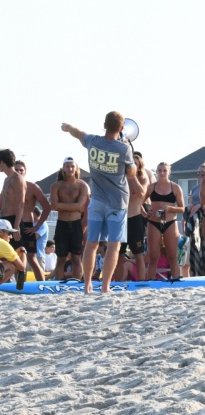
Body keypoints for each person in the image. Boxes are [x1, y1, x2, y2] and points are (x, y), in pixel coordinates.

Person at [61, 111, 139, 293]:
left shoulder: (93, 141)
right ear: (121, 128)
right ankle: (105, 286)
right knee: (113, 245)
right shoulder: (123, 149)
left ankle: (87, 285)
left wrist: (67, 127)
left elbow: (77, 132)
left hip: (96, 201)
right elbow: (131, 173)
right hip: (117, 202)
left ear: (104, 125)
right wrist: (129, 149)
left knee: (91, 244)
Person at [50, 157, 90, 280]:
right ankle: (58, 284)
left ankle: (77, 283)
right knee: (61, 258)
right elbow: (53, 206)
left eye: (72, 166)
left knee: (76, 258)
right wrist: (74, 207)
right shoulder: (56, 186)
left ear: (76, 169)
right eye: (67, 166)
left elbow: (80, 206)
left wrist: (61, 205)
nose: (70, 169)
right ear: (63, 169)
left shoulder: (82, 186)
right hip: (62, 224)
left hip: (76, 224)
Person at [11, 160, 52, 281]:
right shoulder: (8, 187)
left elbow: (47, 207)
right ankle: (17, 285)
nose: (19, 172)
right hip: (12, 226)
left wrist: (37, 226)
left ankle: (42, 284)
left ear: (25, 172)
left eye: (21, 170)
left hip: (27, 226)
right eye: (16, 170)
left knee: (31, 258)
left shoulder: (32, 187)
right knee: (14, 257)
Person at [144, 162, 185, 280]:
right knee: (153, 257)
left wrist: (171, 208)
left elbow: (182, 208)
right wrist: (146, 212)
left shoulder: (175, 187)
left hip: (170, 223)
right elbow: (140, 202)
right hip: (154, 223)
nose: (162, 173)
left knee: (172, 256)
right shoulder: (151, 187)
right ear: (156, 172)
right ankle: (150, 282)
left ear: (169, 172)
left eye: (164, 170)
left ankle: (176, 280)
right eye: (160, 170)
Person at [116, 150, 151, 282]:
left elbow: (141, 193)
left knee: (138, 254)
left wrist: (132, 176)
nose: (132, 166)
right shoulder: (121, 179)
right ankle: (118, 282)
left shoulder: (142, 179)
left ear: (139, 166)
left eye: (135, 164)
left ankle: (141, 282)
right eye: (130, 164)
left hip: (135, 219)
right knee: (118, 254)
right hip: (121, 219)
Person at [0, 149, 26, 250]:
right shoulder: (6, 179)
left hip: (13, 220)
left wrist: (16, 225)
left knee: (16, 251)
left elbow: (21, 204)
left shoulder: (17, 179)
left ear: (2, 162)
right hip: (3, 220)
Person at [0, 219, 27, 285]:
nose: (11, 237)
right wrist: (23, 251)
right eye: (9, 233)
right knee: (11, 266)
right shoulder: (3, 243)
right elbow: (22, 267)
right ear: (0, 232)